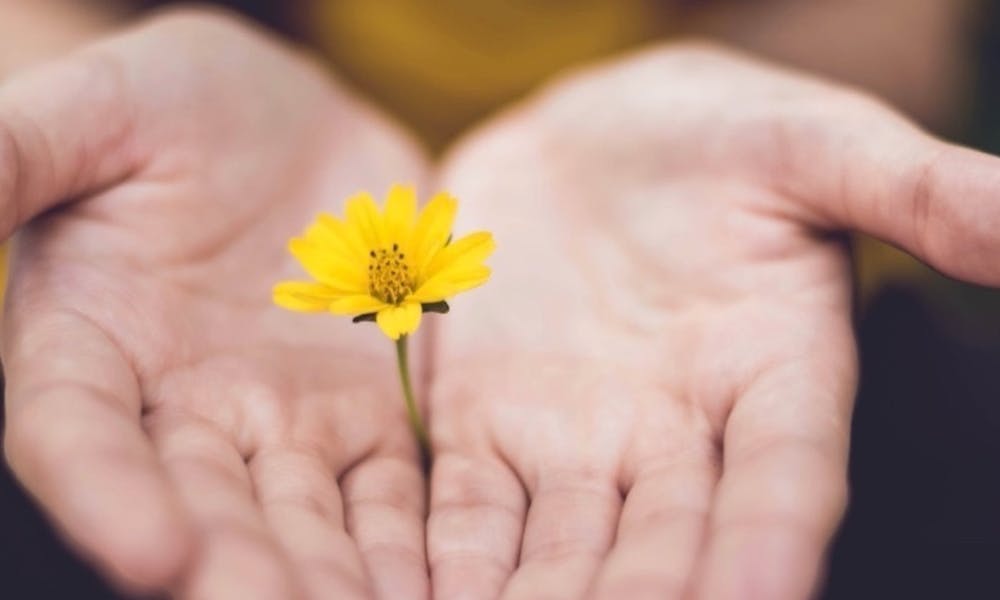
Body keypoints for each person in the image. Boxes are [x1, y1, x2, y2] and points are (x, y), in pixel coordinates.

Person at [0, 2, 997, 599]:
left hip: (721, 307)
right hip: (161, 297)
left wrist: (775, 106)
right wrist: (46, 72)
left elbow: (878, 16)